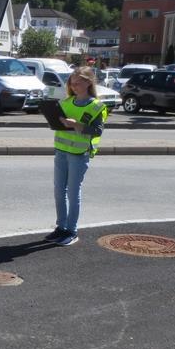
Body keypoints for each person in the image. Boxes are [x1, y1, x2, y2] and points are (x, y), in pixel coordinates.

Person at [46, 66, 108, 246]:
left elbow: (97, 131)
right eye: (72, 83)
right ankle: (61, 227)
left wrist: (76, 125)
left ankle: (71, 231)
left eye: (77, 83)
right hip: (61, 151)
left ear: (88, 83)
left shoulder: (97, 106)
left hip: (79, 154)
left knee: (73, 193)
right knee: (59, 192)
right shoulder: (66, 102)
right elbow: (58, 124)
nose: (73, 86)